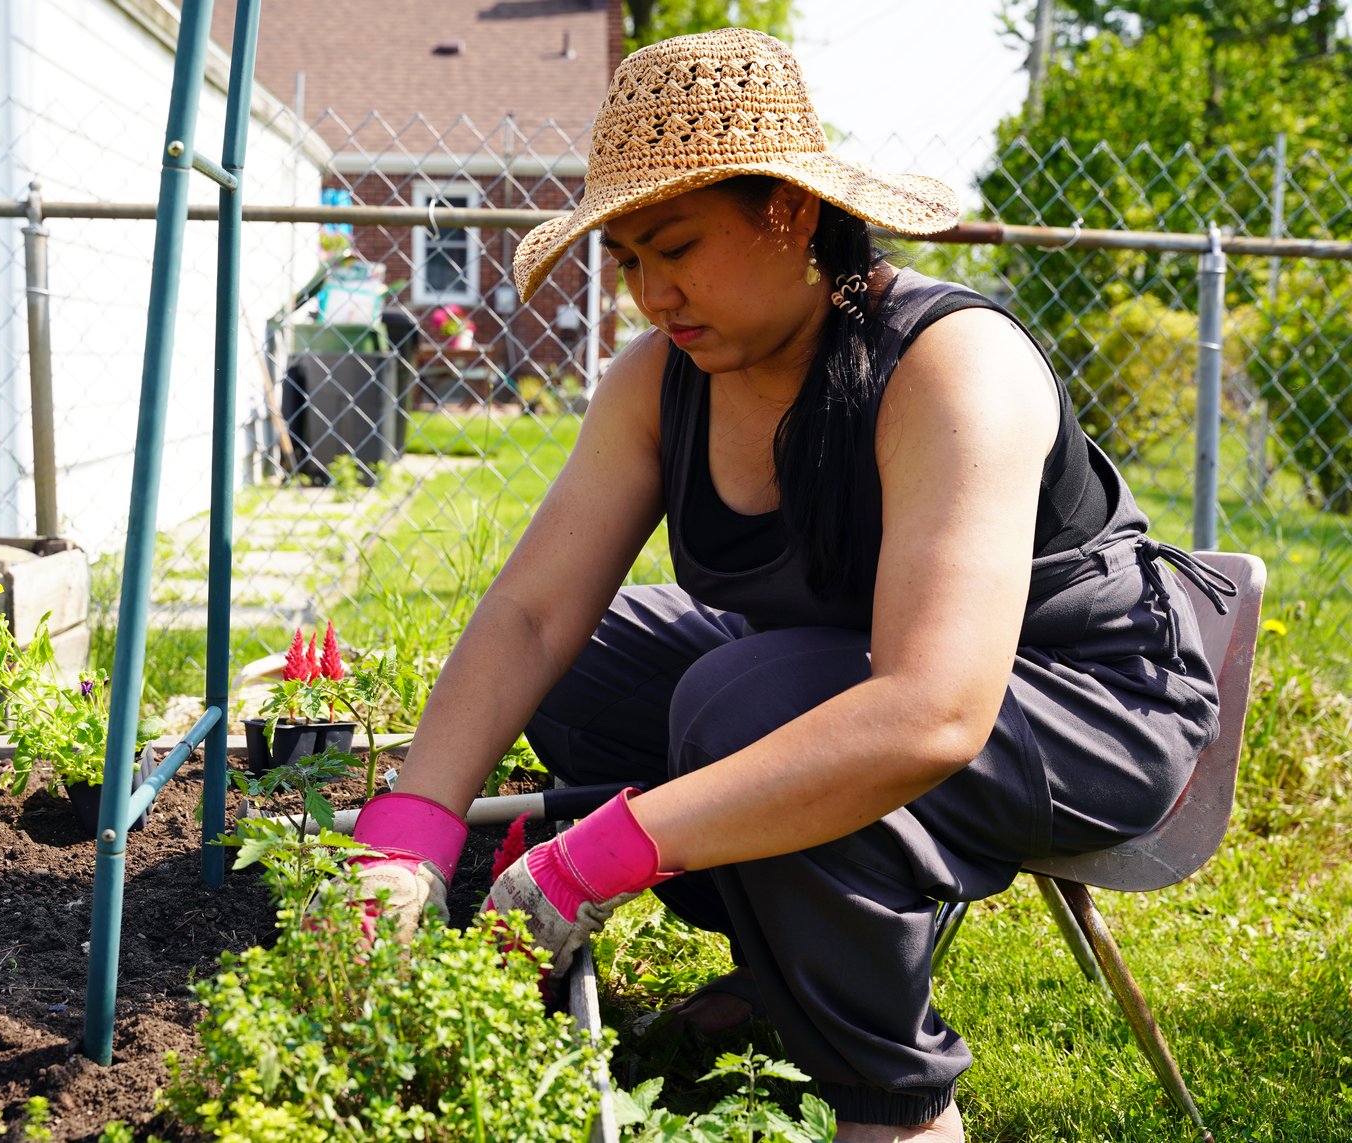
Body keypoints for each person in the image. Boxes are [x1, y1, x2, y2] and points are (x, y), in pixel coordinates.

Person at [331, 26, 1234, 1142]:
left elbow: (934, 707)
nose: (652, 292)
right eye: (628, 262)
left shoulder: (949, 366)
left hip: (1081, 697)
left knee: (745, 701)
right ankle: (780, 971)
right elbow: (531, 613)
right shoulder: (659, 381)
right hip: (847, 666)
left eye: (677, 247)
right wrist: (408, 836)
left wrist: (594, 860)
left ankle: (890, 1104)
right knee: (588, 667)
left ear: (792, 213)